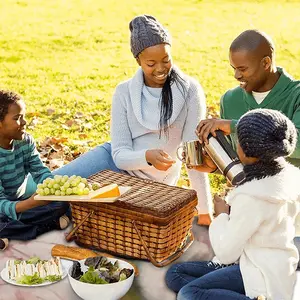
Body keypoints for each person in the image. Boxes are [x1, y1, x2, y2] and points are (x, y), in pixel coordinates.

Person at [51, 15, 213, 225]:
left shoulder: (190, 91)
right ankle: (11, 216)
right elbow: (119, 155)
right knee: (50, 188)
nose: (161, 68)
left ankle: (59, 218)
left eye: (166, 59)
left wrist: (205, 211)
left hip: (148, 185)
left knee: (83, 211)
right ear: (138, 61)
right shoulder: (124, 92)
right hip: (113, 163)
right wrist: (146, 156)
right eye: (151, 63)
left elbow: (193, 156)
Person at [165, 109, 300, 300]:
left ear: (245, 151)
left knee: (188, 293)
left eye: (238, 141)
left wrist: (221, 216)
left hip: (260, 274)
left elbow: (226, 253)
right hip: (271, 265)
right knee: (175, 274)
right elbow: (258, 186)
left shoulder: (251, 197)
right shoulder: (290, 177)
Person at [194, 29, 300, 261]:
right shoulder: (230, 100)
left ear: (266, 62)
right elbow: (242, 160)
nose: (236, 76)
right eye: (234, 68)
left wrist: (234, 126)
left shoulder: (296, 95)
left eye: (242, 69)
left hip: (290, 209)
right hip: (248, 206)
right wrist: (216, 165)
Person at [0, 90, 70, 248]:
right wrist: (31, 204)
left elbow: (40, 171)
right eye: (17, 118)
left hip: (20, 202)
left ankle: (9, 232)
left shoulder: (25, 141)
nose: (24, 122)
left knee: (63, 203)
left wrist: (53, 189)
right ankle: (48, 225)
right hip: (5, 207)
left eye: (23, 116)